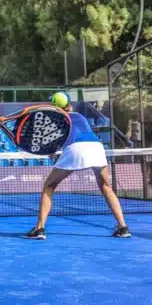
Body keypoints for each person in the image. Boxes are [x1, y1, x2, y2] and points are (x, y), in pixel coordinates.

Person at [24, 92, 130, 240]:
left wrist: (52, 152)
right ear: (69, 105)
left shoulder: (56, 120)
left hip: (76, 149)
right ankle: (123, 227)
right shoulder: (80, 116)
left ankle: (39, 229)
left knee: (49, 186)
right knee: (106, 187)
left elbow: (55, 143)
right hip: (96, 147)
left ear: (54, 106)